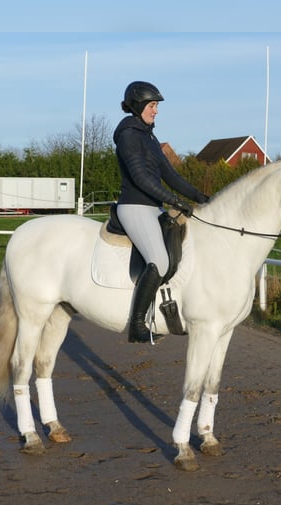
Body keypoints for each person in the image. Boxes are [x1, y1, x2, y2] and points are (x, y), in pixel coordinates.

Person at [114, 80, 209, 343]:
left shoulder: (149, 136)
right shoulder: (128, 135)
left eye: (156, 106)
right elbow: (141, 178)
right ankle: (137, 326)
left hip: (152, 208)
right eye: (152, 105)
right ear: (138, 105)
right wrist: (175, 202)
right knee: (159, 259)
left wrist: (201, 197)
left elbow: (170, 175)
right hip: (134, 207)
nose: (156, 111)